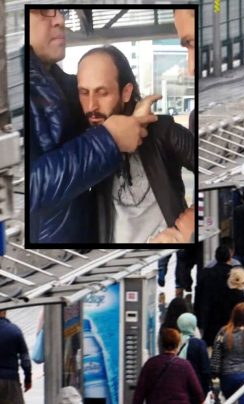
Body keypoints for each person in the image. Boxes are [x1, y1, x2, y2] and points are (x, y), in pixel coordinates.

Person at [28, 9, 154, 243]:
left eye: (60, 10)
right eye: (43, 10)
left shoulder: (65, 88)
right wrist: (109, 141)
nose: (59, 20)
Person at [75, 45, 195, 243]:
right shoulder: (84, 142)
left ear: (126, 92)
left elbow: (215, 168)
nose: (91, 106)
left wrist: (189, 224)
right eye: (84, 92)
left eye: (102, 93)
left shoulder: (160, 131)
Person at [210, 303, 244, 404]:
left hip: (228, 377)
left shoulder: (222, 332)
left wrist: (215, 374)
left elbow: (216, 354)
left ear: (233, 315)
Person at [132, 328, 204, 404]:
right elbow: (198, 395)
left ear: (161, 344)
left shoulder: (150, 364)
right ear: (177, 344)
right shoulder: (185, 365)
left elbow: (139, 396)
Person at [195, 245, 234, 346]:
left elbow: (198, 296)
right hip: (228, 321)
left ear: (216, 257)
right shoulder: (234, 274)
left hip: (209, 320)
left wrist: (199, 320)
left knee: (212, 349)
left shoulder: (206, 274)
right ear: (230, 257)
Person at [176, 313, 212, 399]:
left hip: (178, 389)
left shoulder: (175, 340)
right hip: (195, 389)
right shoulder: (199, 344)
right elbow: (205, 370)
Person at [0, 310, 31, 404]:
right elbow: (25, 359)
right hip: (11, 381)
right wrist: (28, 379)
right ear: (4, 312)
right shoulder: (14, 330)